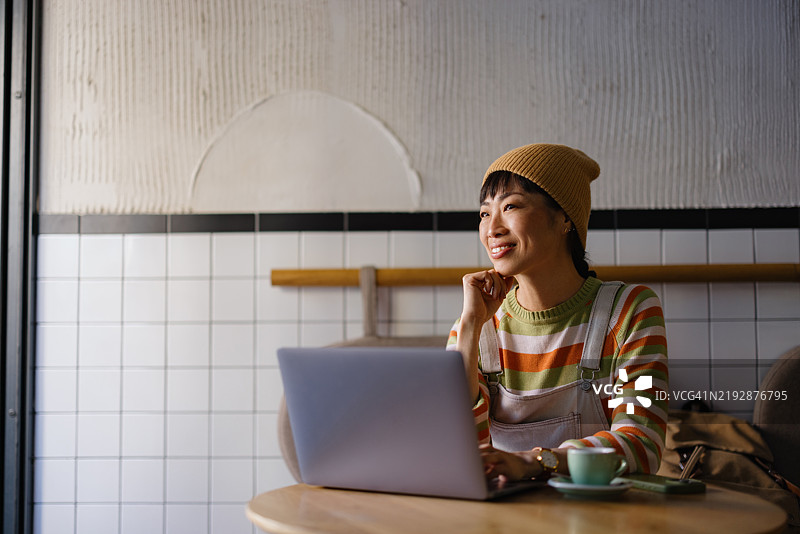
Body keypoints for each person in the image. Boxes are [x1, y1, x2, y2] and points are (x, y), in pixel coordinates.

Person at [446, 143, 668, 484]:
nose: (492, 228)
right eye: (485, 213)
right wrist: (472, 324)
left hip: (598, 516)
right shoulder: (475, 326)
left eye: (511, 206)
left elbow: (641, 445)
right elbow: (455, 448)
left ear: (564, 217)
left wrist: (535, 461)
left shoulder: (630, 309)